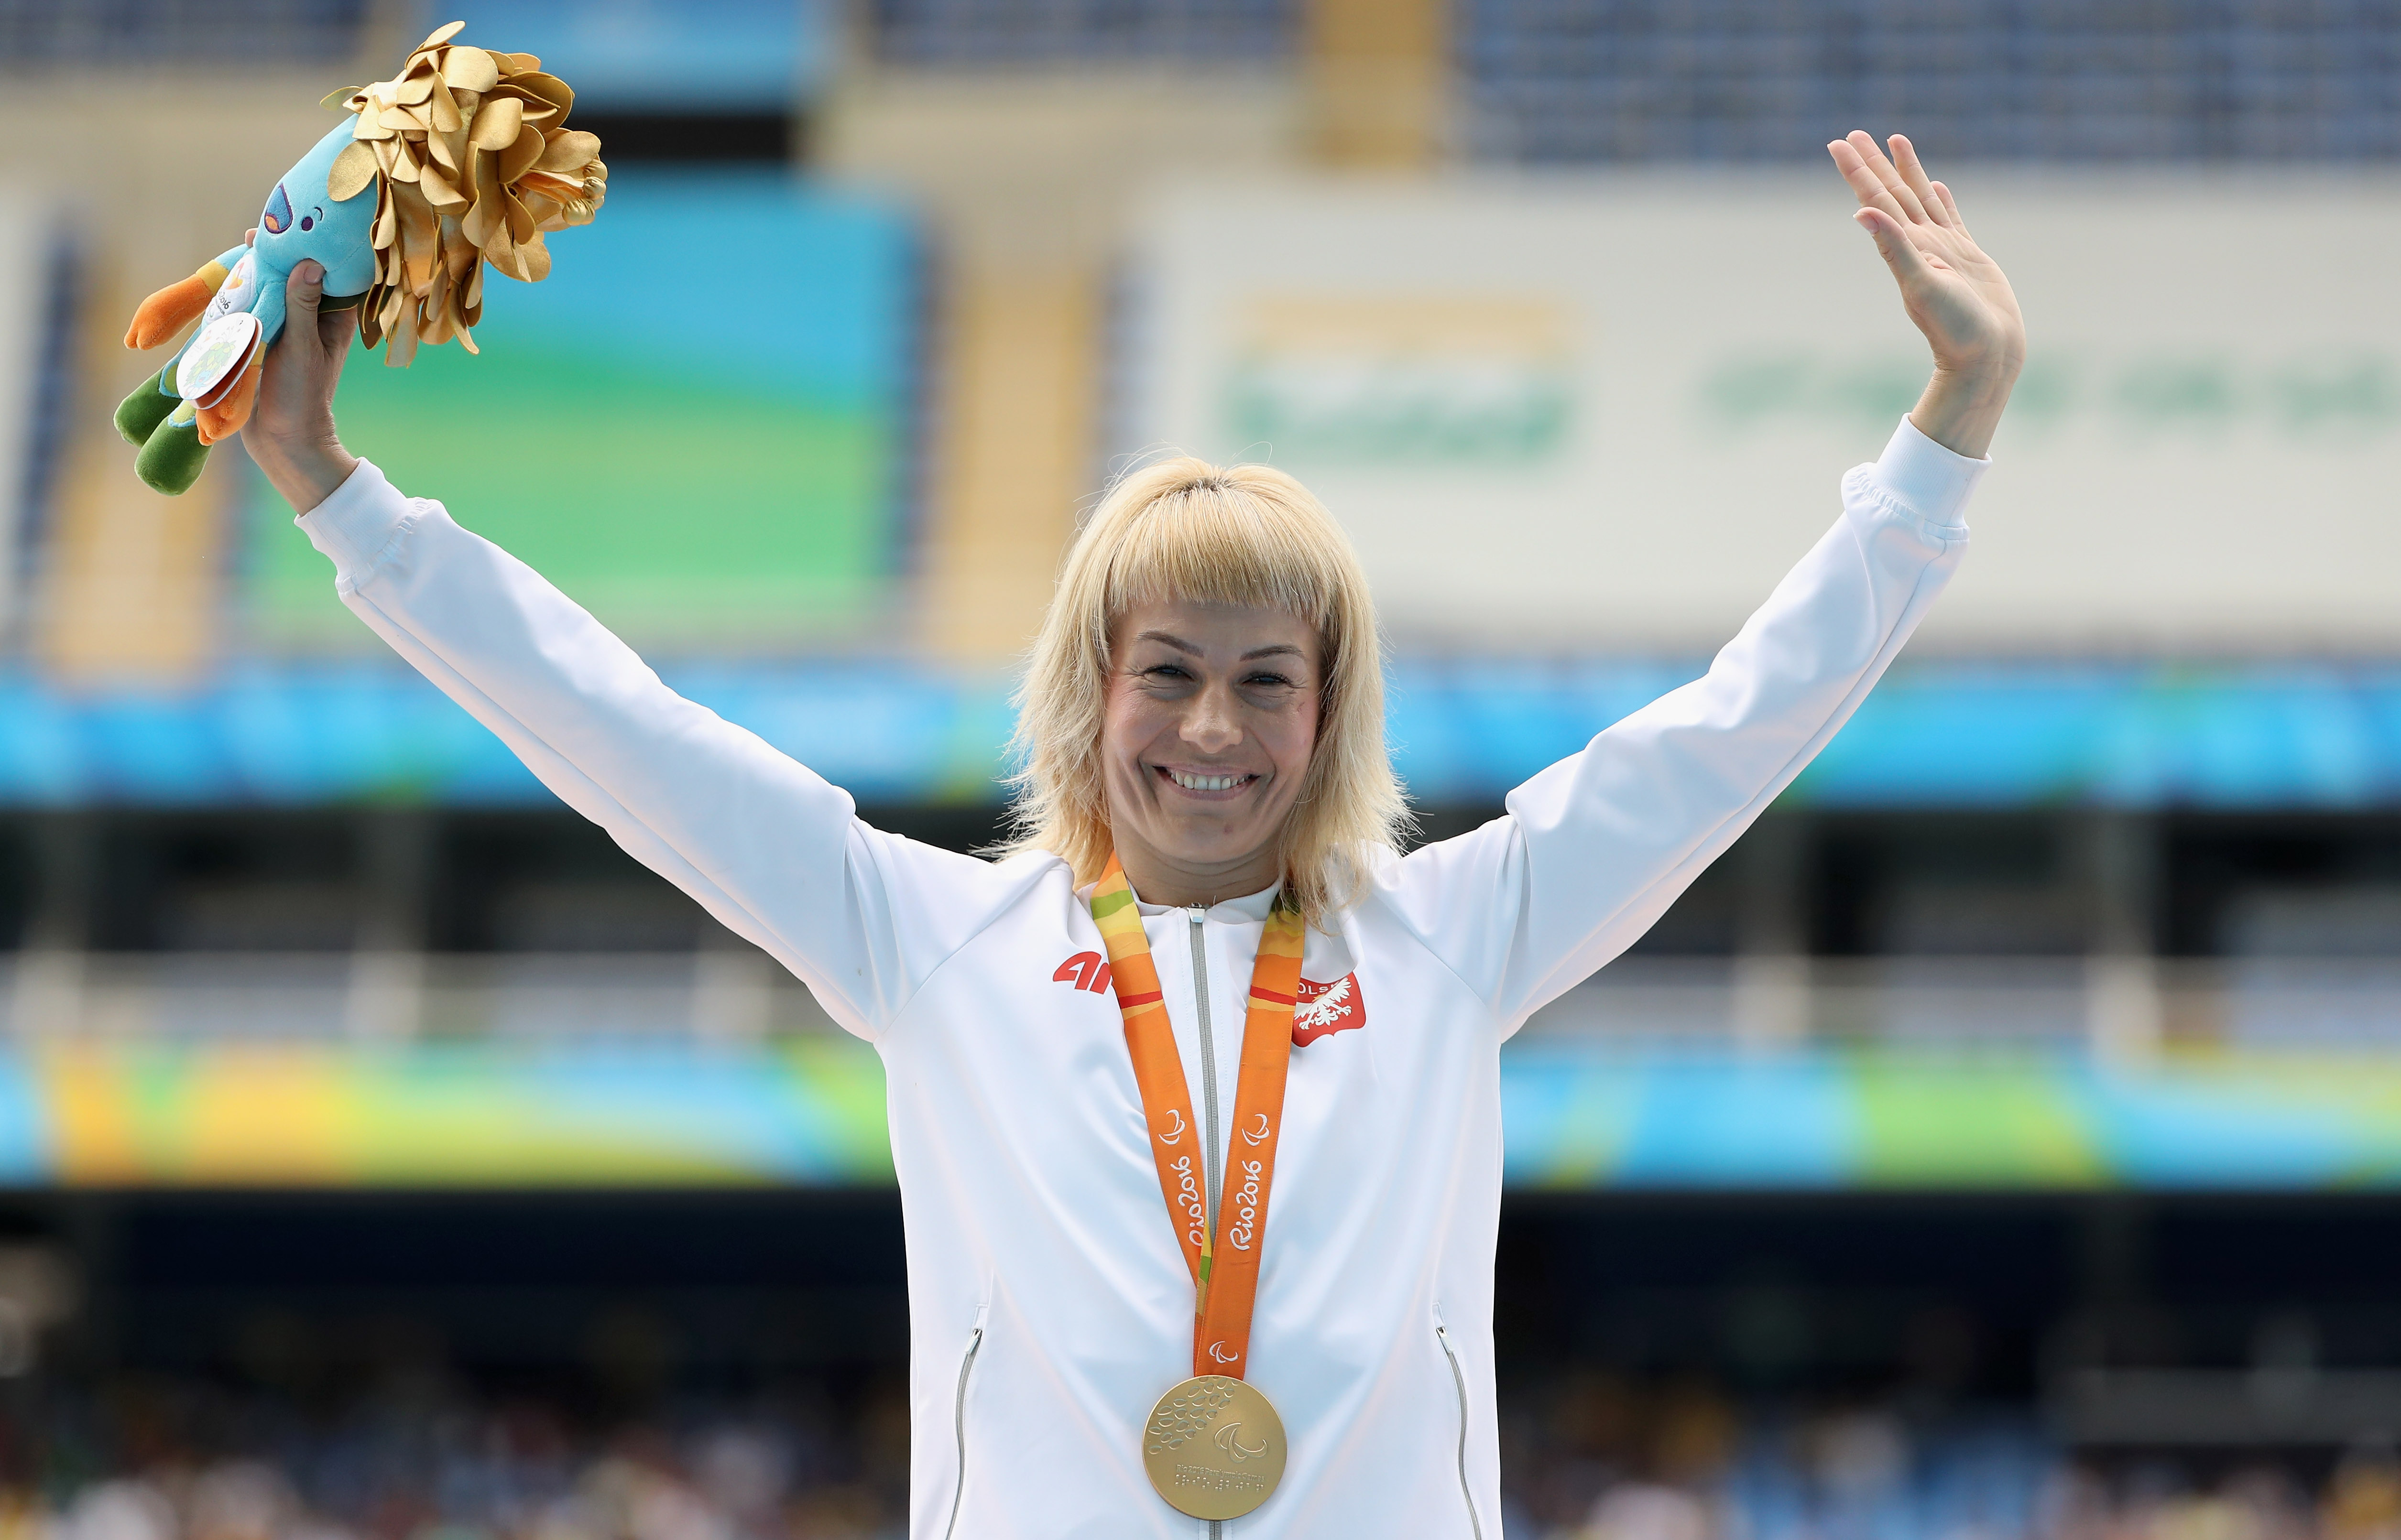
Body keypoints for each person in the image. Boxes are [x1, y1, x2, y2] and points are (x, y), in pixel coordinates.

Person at [241, 131, 2023, 1540]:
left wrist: (1947, 435)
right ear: (1089, 691)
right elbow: (622, 735)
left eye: (1269, 679)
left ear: (1332, 714)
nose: (1214, 731)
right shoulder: (927, 941)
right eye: (1166, 671)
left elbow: (1732, 733)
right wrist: (341, 495)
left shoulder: (1456, 936)